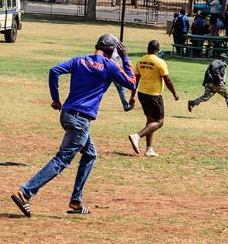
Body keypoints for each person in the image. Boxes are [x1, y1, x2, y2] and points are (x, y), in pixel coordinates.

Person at [10, 34, 136, 217]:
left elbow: (54, 70)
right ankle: (26, 192)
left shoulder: (80, 60)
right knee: (62, 160)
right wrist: (125, 58)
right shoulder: (110, 65)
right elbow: (132, 83)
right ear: (111, 52)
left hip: (67, 114)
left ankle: (76, 201)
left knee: (90, 154)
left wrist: (55, 99)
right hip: (81, 120)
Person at [127, 40, 179, 157]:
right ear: (158, 50)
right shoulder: (160, 62)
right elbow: (168, 80)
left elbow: (136, 80)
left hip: (142, 94)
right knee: (159, 122)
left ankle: (149, 149)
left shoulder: (140, 60)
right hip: (154, 95)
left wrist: (132, 96)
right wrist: (175, 94)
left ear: (148, 49)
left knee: (150, 121)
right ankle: (137, 136)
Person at [188, 51, 228, 118]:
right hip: (215, 83)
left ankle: (192, 103)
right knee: (227, 96)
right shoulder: (218, 62)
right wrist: (219, 77)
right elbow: (215, 68)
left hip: (209, 83)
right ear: (224, 59)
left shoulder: (217, 62)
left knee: (206, 97)